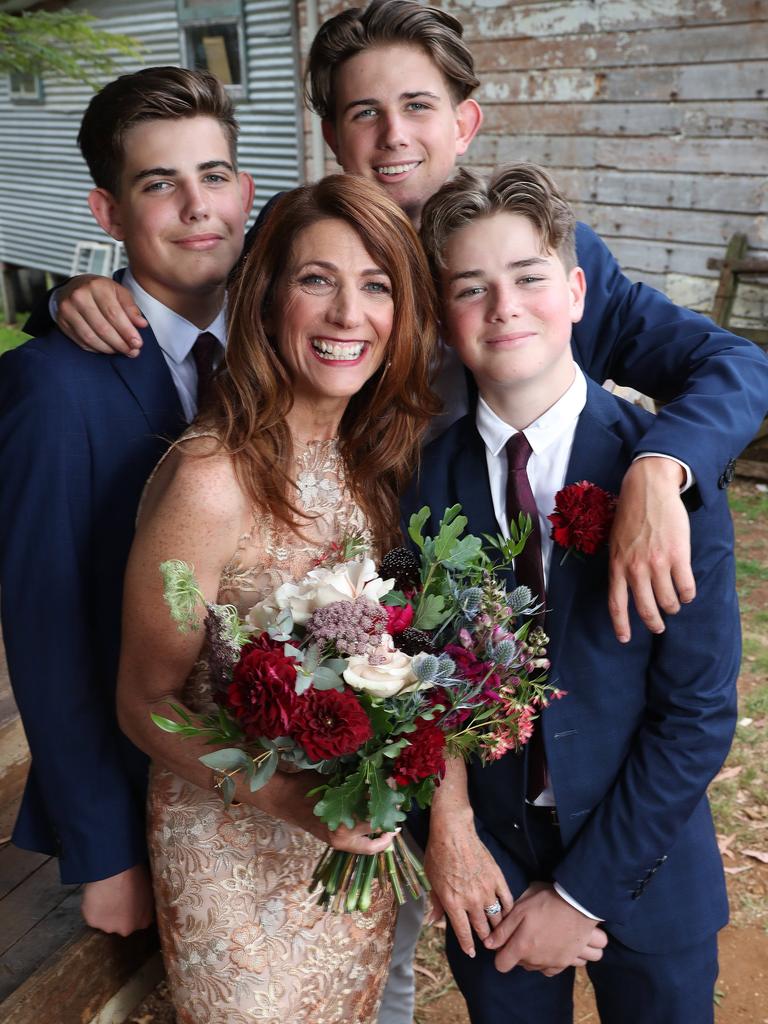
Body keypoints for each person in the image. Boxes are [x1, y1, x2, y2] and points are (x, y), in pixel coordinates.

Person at [30, 0, 768, 653]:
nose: (393, 137)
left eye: (417, 105)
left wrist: (659, 465)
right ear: (331, 134)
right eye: (364, 113)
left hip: (513, 586)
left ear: (463, 123)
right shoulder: (296, 238)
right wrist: (73, 296)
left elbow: (732, 363)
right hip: (321, 578)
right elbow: (189, 275)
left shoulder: (534, 261)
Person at [404, 162, 741, 1023]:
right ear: (445, 318)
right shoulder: (415, 488)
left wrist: (583, 896)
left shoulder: (665, 478)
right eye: (470, 288)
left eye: (528, 278)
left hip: (647, 861)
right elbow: (414, 691)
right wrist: (452, 840)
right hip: (493, 868)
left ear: (577, 290)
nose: (504, 307)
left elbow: (697, 713)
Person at [115, 173, 439, 1022]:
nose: (347, 314)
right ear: (265, 302)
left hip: (343, 841)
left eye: (377, 287)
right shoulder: (209, 482)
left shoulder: (370, 467)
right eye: (315, 279)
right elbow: (145, 704)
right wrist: (290, 801)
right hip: (228, 846)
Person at [0, 66, 255, 934]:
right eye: (159, 183)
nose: (196, 206)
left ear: (244, 188)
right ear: (107, 213)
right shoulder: (50, 388)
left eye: (213, 175)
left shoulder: (288, 337)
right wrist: (103, 850)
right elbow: (45, 628)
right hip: (141, 781)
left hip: (288, 767)